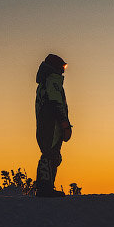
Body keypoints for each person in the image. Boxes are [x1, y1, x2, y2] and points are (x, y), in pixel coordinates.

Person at [34, 53, 73, 197]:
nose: (63, 69)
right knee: (50, 154)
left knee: (50, 154)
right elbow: (55, 101)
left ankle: (45, 187)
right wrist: (64, 122)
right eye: (62, 66)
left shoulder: (44, 83)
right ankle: (45, 189)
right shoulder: (52, 80)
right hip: (51, 123)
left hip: (46, 122)